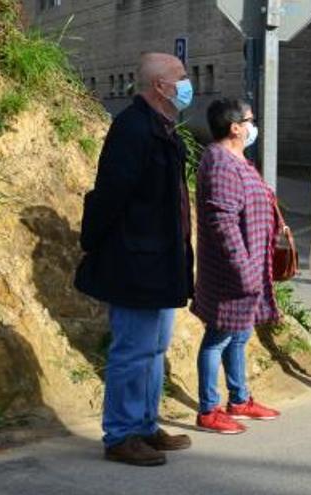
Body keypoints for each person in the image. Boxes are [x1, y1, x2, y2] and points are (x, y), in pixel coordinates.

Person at [76, 53, 195, 466]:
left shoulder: (163, 128)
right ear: (160, 86)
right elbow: (110, 193)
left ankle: (145, 425)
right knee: (132, 349)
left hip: (161, 259)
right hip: (136, 260)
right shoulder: (132, 128)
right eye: (181, 77)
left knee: (155, 347)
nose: (187, 83)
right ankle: (121, 434)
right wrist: (91, 241)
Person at [192, 98, 282, 434]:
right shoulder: (220, 164)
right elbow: (223, 223)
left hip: (249, 270)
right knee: (218, 337)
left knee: (240, 336)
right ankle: (208, 408)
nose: (252, 126)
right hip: (232, 273)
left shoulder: (236, 160)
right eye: (249, 120)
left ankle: (240, 399)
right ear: (234, 127)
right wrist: (244, 270)